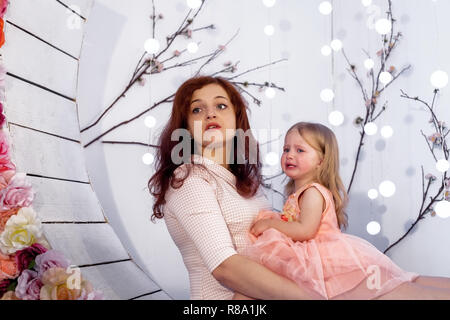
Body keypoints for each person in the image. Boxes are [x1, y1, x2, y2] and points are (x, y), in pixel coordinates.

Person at [148, 76, 322, 300]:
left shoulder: (242, 182)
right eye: (197, 110)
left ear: (237, 119)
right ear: (186, 127)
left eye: (221, 106)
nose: (211, 114)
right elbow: (225, 267)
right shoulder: (189, 179)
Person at [234, 122, 450, 300]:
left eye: (300, 150)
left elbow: (305, 230)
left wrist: (271, 224)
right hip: (316, 256)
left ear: (321, 160)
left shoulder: (312, 192)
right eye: (286, 149)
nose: (290, 155)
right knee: (398, 282)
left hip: (327, 256)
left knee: (396, 290)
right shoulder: (299, 191)